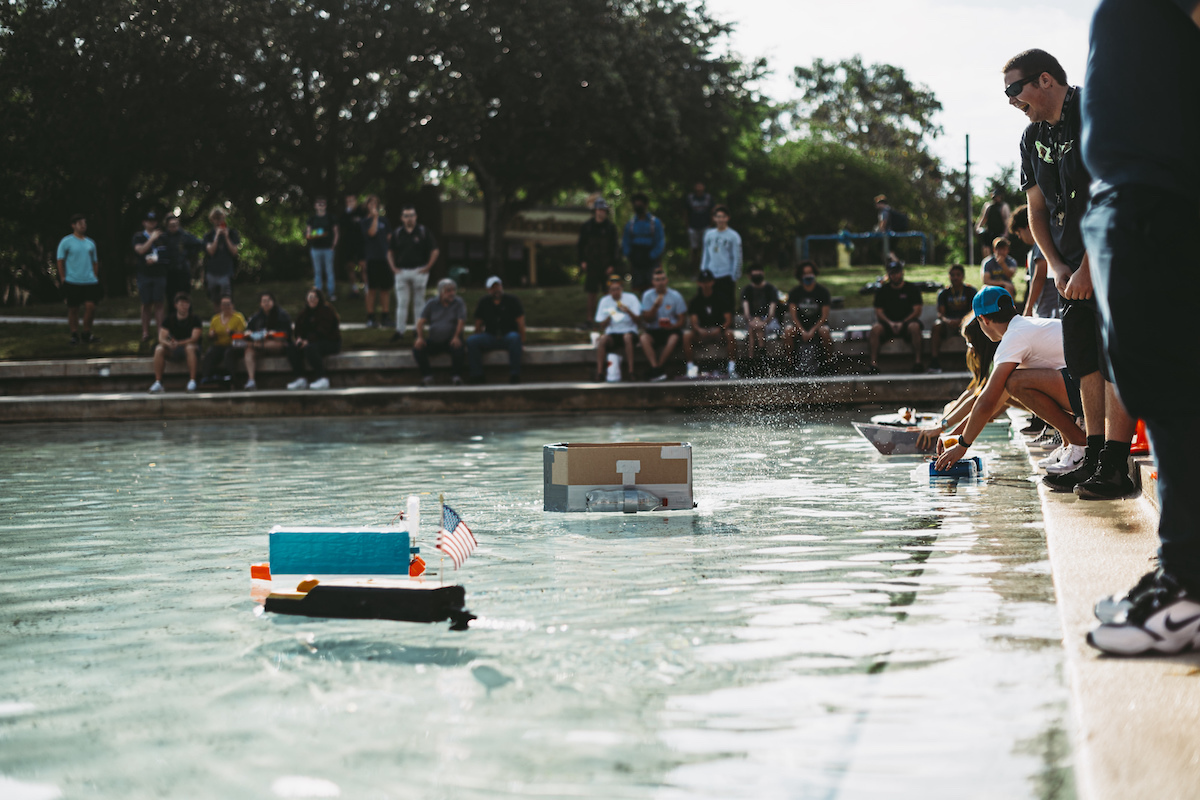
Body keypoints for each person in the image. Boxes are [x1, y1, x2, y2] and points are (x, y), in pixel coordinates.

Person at [1078, 0, 1200, 656]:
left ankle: (1187, 589)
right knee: (1162, 387)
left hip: (1158, 197)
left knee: (1177, 394)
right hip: (1135, 193)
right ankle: (1180, 574)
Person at [1004, 47, 1138, 499]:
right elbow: (1036, 210)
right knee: (1084, 363)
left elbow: (1116, 192)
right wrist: (1059, 265)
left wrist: (1086, 264)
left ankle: (1116, 463)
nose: (1009, 100)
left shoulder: (1095, 112)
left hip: (1114, 256)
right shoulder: (1031, 138)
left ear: (1045, 80)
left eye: (1013, 88)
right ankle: (1095, 455)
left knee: (1115, 358)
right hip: (1069, 268)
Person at [936, 287, 1087, 475]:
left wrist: (962, 445)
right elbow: (994, 401)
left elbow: (986, 401)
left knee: (1015, 382)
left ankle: (1079, 443)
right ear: (1012, 307)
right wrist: (955, 435)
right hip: (1095, 389)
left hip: (1091, 396)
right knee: (1013, 382)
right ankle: (1068, 446)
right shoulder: (1028, 325)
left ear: (984, 320)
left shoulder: (1014, 337)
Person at [390, 205, 440, 341]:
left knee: (419, 303)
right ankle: (399, 331)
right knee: (402, 302)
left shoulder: (423, 231)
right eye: (406, 216)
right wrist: (393, 267)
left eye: (411, 215)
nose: (409, 218)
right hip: (402, 271)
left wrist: (428, 267)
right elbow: (390, 251)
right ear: (402, 218)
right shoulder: (398, 233)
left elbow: (435, 250)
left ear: (416, 216)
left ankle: (417, 330)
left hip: (419, 271)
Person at [467, 276, 526, 384]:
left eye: (498, 286)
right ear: (488, 290)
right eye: (493, 288)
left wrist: (522, 341)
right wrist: (479, 336)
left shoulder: (512, 300)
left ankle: (515, 375)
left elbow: (521, 323)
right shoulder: (483, 302)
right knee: (472, 341)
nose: (496, 290)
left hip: (507, 335)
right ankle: (477, 375)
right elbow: (478, 324)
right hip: (490, 335)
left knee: (515, 338)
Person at [868, 261, 924, 374]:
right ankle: (873, 364)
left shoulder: (912, 289)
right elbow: (879, 312)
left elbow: (917, 310)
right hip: (887, 324)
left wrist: (903, 322)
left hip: (907, 323)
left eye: (897, 272)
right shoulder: (882, 291)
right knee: (875, 329)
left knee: (915, 327)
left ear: (902, 273)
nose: (895, 276)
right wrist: (890, 323)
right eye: (892, 273)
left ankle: (918, 362)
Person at [55, 214, 101, 346]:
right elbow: (60, 260)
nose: (83, 225)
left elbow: (95, 262)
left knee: (90, 307)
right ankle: (74, 334)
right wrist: (63, 277)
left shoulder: (90, 243)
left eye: (84, 223)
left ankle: (86, 332)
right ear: (73, 225)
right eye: (80, 223)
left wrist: (94, 275)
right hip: (73, 280)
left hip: (89, 281)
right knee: (73, 308)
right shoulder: (66, 241)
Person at [683, 269, 737, 379]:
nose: (705, 284)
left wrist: (719, 329)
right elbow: (694, 322)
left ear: (712, 282)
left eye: (708, 281)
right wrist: (699, 330)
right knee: (686, 335)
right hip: (702, 332)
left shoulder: (722, 298)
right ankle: (690, 367)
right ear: (699, 283)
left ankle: (732, 367)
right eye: (703, 282)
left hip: (719, 331)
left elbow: (728, 320)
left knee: (730, 334)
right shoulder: (695, 301)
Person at [1009, 205, 1060, 319]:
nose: (1020, 237)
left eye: (1019, 233)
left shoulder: (1041, 245)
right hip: (1044, 309)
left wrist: (1028, 308)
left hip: (1050, 310)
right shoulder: (1035, 249)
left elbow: (1040, 276)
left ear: (1028, 227)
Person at [413, 278, 467, 386]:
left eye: (453, 290)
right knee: (418, 348)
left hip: (451, 339)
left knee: (459, 347)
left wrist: (456, 336)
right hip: (435, 339)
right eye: (448, 291)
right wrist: (419, 337)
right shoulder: (432, 303)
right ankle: (427, 376)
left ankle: (456, 376)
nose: (451, 293)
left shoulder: (458, 302)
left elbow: (461, 321)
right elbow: (420, 322)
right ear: (441, 292)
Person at [784, 261, 833, 374]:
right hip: (800, 325)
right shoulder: (795, 293)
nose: (808, 276)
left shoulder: (822, 292)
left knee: (825, 332)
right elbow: (793, 315)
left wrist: (812, 330)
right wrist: (802, 330)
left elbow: (824, 315)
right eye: (805, 273)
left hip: (818, 325)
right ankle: (789, 364)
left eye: (810, 273)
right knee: (788, 331)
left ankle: (829, 363)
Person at [639, 267, 687, 381]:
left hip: (670, 330)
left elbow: (682, 320)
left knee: (674, 338)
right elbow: (647, 319)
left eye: (662, 279)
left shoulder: (675, 296)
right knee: (643, 338)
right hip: (654, 330)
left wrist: (673, 326)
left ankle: (658, 368)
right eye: (657, 280)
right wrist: (655, 307)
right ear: (653, 282)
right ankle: (656, 368)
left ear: (666, 280)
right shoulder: (647, 296)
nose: (660, 282)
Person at [287, 288, 341, 390]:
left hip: (330, 342)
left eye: (315, 297)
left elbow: (324, 331)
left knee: (310, 348)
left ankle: (322, 378)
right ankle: (300, 378)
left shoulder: (326, 311)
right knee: (292, 348)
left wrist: (308, 341)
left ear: (320, 299)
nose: (312, 300)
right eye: (310, 297)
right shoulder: (304, 313)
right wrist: (299, 339)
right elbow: (298, 329)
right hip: (309, 341)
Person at [149, 292, 202, 393]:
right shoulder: (169, 319)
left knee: (190, 347)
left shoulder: (195, 319)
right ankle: (158, 382)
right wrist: (169, 344)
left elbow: (194, 338)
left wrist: (179, 343)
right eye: (182, 304)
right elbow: (161, 338)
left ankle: (192, 381)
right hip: (173, 349)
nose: (184, 307)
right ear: (176, 305)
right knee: (159, 348)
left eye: (186, 304)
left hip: (190, 349)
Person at [578, 199, 619, 325]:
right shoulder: (587, 226)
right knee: (591, 292)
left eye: (603, 210)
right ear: (594, 211)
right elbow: (580, 245)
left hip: (606, 264)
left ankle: (609, 318)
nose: (601, 213)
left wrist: (612, 264)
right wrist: (582, 261)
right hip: (591, 264)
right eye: (598, 210)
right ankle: (590, 319)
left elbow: (615, 247)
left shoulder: (611, 228)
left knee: (608, 292)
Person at [593, 274, 642, 381]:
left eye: (617, 289)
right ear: (609, 291)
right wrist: (610, 316)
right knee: (602, 340)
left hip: (629, 331)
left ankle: (631, 371)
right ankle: (600, 372)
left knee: (627, 338)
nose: (615, 292)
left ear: (622, 288)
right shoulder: (604, 301)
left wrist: (628, 311)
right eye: (612, 290)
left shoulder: (631, 298)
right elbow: (601, 325)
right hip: (613, 333)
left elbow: (639, 321)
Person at [929, 264, 977, 374]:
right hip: (949, 324)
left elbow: (974, 311)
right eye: (952, 275)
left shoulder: (970, 291)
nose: (955, 277)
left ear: (963, 276)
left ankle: (974, 361)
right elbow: (941, 314)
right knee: (937, 326)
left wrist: (962, 320)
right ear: (949, 276)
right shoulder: (944, 293)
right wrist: (948, 321)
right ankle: (934, 361)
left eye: (958, 275)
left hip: (966, 323)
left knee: (976, 326)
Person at [242, 291, 292, 391]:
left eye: (268, 301)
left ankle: (258, 345)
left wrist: (272, 334)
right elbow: (248, 331)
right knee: (249, 351)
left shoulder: (281, 315)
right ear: (260, 303)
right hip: (259, 345)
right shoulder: (256, 317)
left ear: (273, 302)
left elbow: (286, 334)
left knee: (272, 344)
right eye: (264, 301)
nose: (266, 303)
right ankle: (251, 380)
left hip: (277, 345)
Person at [699, 205, 742, 317]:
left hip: (726, 274)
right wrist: (704, 271)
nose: (720, 220)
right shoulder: (709, 234)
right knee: (712, 303)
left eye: (723, 217)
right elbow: (706, 254)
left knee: (727, 303)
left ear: (727, 218)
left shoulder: (733, 236)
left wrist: (734, 275)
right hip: (711, 274)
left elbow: (737, 256)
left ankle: (728, 328)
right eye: (718, 217)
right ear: (714, 218)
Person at [132, 211, 168, 343]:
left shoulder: (162, 237)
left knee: (159, 303)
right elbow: (140, 250)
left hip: (159, 274)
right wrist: (151, 239)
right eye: (148, 221)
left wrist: (158, 260)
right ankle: (145, 332)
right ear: (144, 222)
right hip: (144, 274)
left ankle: (160, 332)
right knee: (146, 304)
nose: (151, 223)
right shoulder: (139, 236)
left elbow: (166, 254)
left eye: (153, 221)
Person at [621, 193, 665, 294]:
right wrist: (630, 255)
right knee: (639, 286)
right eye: (635, 204)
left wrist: (652, 255)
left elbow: (660, 241)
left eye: (640, 203)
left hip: (651, 258)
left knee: (652, 285)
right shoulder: (631, 224)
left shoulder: (655, 223)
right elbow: (626, 241)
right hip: (636, 258)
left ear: (646, 205)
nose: (638, 206)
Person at [360, 195, 393, 328]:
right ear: (367, 205)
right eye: (371, 203)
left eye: (375, 203)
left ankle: (385, 316)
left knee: (385, 289)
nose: (373, 205)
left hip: (384, 258)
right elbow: (372, 233)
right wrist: (374, 217)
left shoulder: (384, 221)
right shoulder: (365, 221)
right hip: (372, 258)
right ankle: (371, 317)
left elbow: (390, 237)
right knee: (372, 289)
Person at [200, 293, 247, 385]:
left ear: (232, 305)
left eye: (228, 304)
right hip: (219, 344)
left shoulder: (238, 317)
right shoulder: (215, 318)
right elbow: (210, 335)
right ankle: (206, 377)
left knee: (228, 353)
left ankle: (231, 378)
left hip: (234, 345)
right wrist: (212, 335)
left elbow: (241, 335)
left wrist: (231, 333)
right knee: (211, 353)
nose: (225, 307)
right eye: (223, 304)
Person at [160, 215, 204, 307]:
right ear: (167, 226)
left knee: (184, 297)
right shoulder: (164, 238)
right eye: (172, 225)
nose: (174, 227)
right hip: (169, 271)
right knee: (171, 298)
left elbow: (199, 244)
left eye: (176, 224)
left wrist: (189, 254)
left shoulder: (184, 236)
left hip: (183, 270)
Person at [740, 266, 779, 362]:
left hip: (768, 322)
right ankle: (762, 357)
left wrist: (764, 322)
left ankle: (752, 360)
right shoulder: (746, 290)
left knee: (755, 329)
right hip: (753, 322)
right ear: (750, 276)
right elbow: (746, 313)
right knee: (755, 327)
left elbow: (771, 313)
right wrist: (752, 321)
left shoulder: (771, 289)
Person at [202, 207, 241, 305]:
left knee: (227, 300)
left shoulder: (232, 233)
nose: (219, 221)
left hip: (226, 272)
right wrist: (216, 237)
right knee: (215, 300)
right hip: (212, 271)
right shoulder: (209, 235)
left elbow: (234, 252)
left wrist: (226, 237)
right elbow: (211, 251)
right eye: (216, 218)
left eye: (221, 218)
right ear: (212, 220)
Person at [306, 196, 338, 301]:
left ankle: (331, 293)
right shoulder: (312, 219)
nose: (321, 206)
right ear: (315, 206)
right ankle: (318, 295)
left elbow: (336, 232)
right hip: (316, 249)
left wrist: (333, 245)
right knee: (317, 272)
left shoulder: (330, 218)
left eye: (323, 204)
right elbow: (308, 234)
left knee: (329, 271)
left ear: (325, 206)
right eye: (319, 204)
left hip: (328, 249)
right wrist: (317, 234)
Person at [339, 194, 366, 299]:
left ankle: (366, 290)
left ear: (356, 201)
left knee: (363, 267)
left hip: (361, 244)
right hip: (349, 245)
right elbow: (342, 225)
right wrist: (347, 213)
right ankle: (355, 290)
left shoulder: (362, 212)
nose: (350, 203)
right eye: (348, 201)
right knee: (350, 267)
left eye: (352, 200)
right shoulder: (345, 215)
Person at [684, 182, 714, 269]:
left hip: (706, 227)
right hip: (693, 227)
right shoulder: (690, 198)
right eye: (697, 186)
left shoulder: (708, 198)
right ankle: (694, 271)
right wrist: (687, 225)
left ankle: (706, 269)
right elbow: (685, 212)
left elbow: (712, 211)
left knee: (706, 249)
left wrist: (711, 226)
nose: (699, 188)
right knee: (694, 250)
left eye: (701, 186)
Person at [975, 190, 1012, 258]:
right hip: (990, 231)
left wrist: (1005, 233)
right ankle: (987, 262)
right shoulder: (988, 206)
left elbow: (1007, 221)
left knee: (1000, 248)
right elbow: (983, 218)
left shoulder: (1004, 206)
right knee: (986, 247)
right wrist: (978, 227)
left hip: (1000, 232)